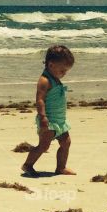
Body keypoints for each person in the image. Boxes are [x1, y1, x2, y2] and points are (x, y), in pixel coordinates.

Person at [21, 45, 75, 176]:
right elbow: (40, 100)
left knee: (66, 143)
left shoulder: (55, 78)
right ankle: (27, 165)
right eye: (62, 70)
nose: (64, 74)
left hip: (60, 121)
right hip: (48, 120)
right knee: (44, 146)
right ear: (51, 65)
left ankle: (61, 168)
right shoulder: (44, 80)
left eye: (66, 71)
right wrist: (43, 117)